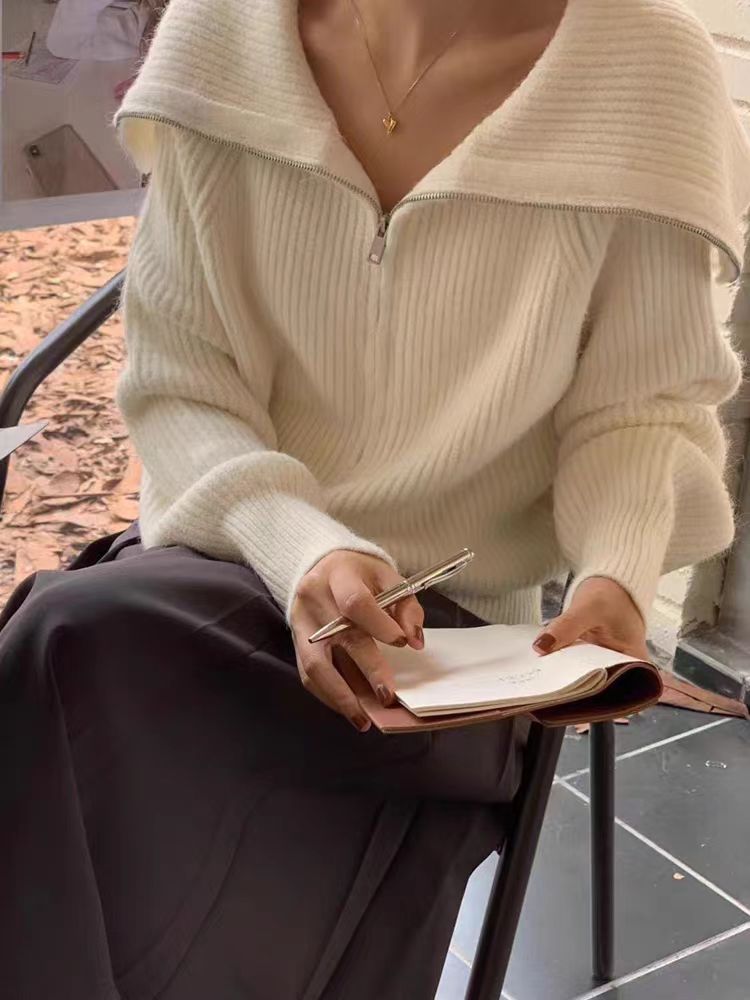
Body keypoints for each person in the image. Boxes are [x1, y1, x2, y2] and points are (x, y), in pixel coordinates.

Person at [2, 0, 749, 997]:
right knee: (63, 667)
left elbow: (639, 411)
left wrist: (614, 574)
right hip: (220, 586)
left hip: (448, 656)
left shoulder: (647, 68)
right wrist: (305, 553)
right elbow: (183, 389)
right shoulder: (221, 33)